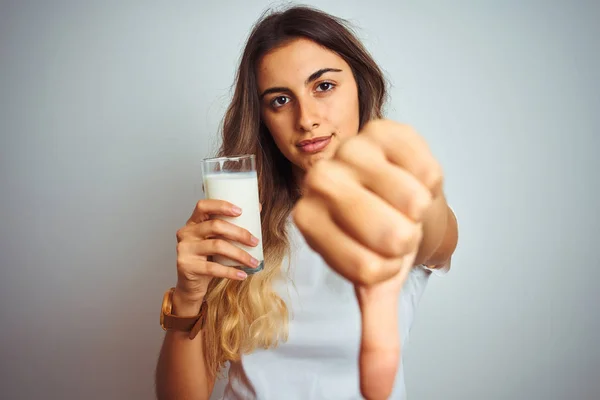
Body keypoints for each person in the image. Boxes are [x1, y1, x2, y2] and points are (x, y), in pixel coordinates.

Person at [156, 5, 458, 400]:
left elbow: (434, 237)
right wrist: (188, 296)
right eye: (280, 100)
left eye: (324, 86)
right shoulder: (242, 220)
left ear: (361, 87)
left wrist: (418, 185)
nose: (306, 118)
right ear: (263, 118)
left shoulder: (398, 208)